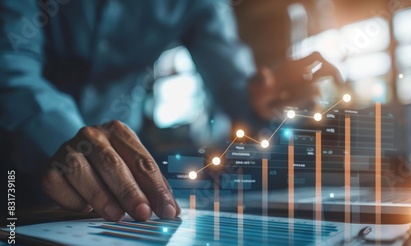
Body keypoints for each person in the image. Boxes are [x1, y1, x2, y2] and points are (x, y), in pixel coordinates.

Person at [0, 0, 342, 221]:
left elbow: (234, 84)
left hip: (124, 174)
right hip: (15, 162)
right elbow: (10, 64)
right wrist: (66, 143)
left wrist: (264, 97)